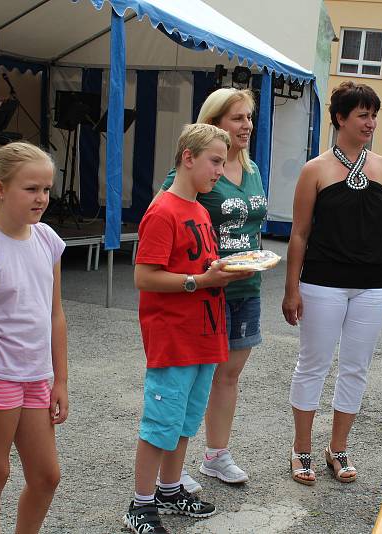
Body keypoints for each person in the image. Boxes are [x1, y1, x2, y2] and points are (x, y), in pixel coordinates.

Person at [123, 123, 252, 534]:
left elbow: (198, 267)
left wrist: (220, 272)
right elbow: (144, 276)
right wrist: (201, 281)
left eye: (223, 161)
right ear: (188, 157)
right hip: (174, 337)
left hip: (205, 334)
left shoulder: (199, 209)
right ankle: (140, 505)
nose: (220, 170)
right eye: (215, 161)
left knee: (184, 422)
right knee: (160, 423)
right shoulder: (163, 210)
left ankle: (169, 488)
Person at [282, 81, 382, 486]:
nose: (370, 122)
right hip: (322, 283)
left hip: (374, 285)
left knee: (356, 368)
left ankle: (337, 448)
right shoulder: (315, 169)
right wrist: (292, 288)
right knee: (313, 365)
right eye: (362, 115)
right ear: (340, 117)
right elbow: (299, 234)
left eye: (374, 115)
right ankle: (301, 449)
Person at [157, 88, 266, 489]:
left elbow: (252, 225)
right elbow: (168, 210)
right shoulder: (198, 167)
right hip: (205, 290)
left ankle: (216, 456)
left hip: (247, 286)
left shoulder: (251, 168)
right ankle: (172, 466)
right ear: (215, 122)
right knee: (190, 378)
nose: (247, 126)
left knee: (228, 376)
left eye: (250, 117)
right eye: (238, 118)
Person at [0, 142, 68, 534]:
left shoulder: (47, 239)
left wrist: (60, 380)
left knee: (47, 477)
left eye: (46, 189)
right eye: (31, 189)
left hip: (36, 379)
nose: (41, 198)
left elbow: (55, 315)